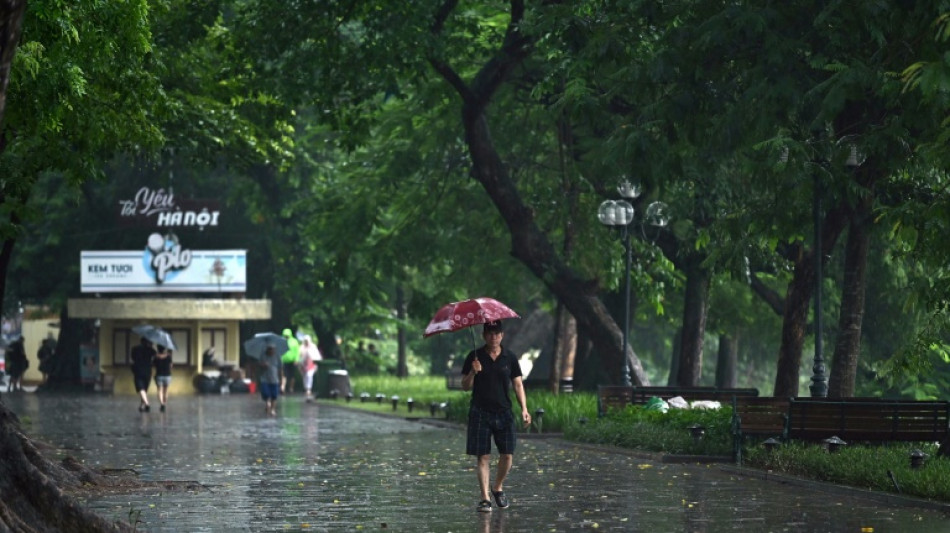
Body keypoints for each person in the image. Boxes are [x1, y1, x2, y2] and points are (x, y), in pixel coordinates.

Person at [460, 320, 531, 513]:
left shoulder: (510, 357)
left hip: (504, 411)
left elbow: (518, 384)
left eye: (497, 333)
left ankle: (497, 487)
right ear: (484, 335)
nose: (494, 336)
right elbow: (465, 387)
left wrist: (524, 408)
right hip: (480, 411)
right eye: (490, 333)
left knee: (507, 454)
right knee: (483, 456)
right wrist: (473, 372)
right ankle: (484, 498)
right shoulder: (474, 356)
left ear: (502, 335)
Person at [130, 337, 156, 412]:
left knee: (140, 388)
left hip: (138, 370)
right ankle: (142, 405)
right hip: (147, 371)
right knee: (145, 388)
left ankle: (146, 404)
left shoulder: (135, 348)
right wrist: (151, 346)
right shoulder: (150, 350)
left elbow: (132, 357)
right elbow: (154, 356)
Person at [298, 335, 323, 402]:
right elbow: (299, 357)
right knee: (304, 377)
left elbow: (317, 356)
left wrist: (316, 364)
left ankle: (308, 389)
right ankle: (306, 388)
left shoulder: (313, 347)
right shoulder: (301, 347)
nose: (306, 342)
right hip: (303, 365)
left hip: (311, 364)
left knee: (309, 376)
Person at [258, 344, 282, 416]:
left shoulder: (277, 356)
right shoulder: (263, 356)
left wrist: (281, 379)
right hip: (265, 379)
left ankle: (273, 409)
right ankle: (268, 405)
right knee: (266, 394)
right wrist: (263, 365)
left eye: (272, 349)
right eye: (269, 349)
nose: (271, 350)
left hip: (275, 379)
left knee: (274, 396)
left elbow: (280, 368)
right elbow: (258, 366)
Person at [280, 328, 300, 394]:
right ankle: (282, 387)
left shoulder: (294, 341)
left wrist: (296, 359)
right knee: (284, 375)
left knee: (292, 376)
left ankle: (291, 388)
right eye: (285, 335)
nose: (286, 337)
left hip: (292, 361)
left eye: (287, 335)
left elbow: (297, 351)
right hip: (284, 361)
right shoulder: (281, 341)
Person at [153, 345, 173, 413]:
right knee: (166, 390)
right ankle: (164, 403)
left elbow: (154, 365)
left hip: (159, 375)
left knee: (159, 390)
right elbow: (171, 366)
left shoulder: (156, 357)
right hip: (167, 375)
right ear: (164, 349)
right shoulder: (168, 356)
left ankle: (161, 403)